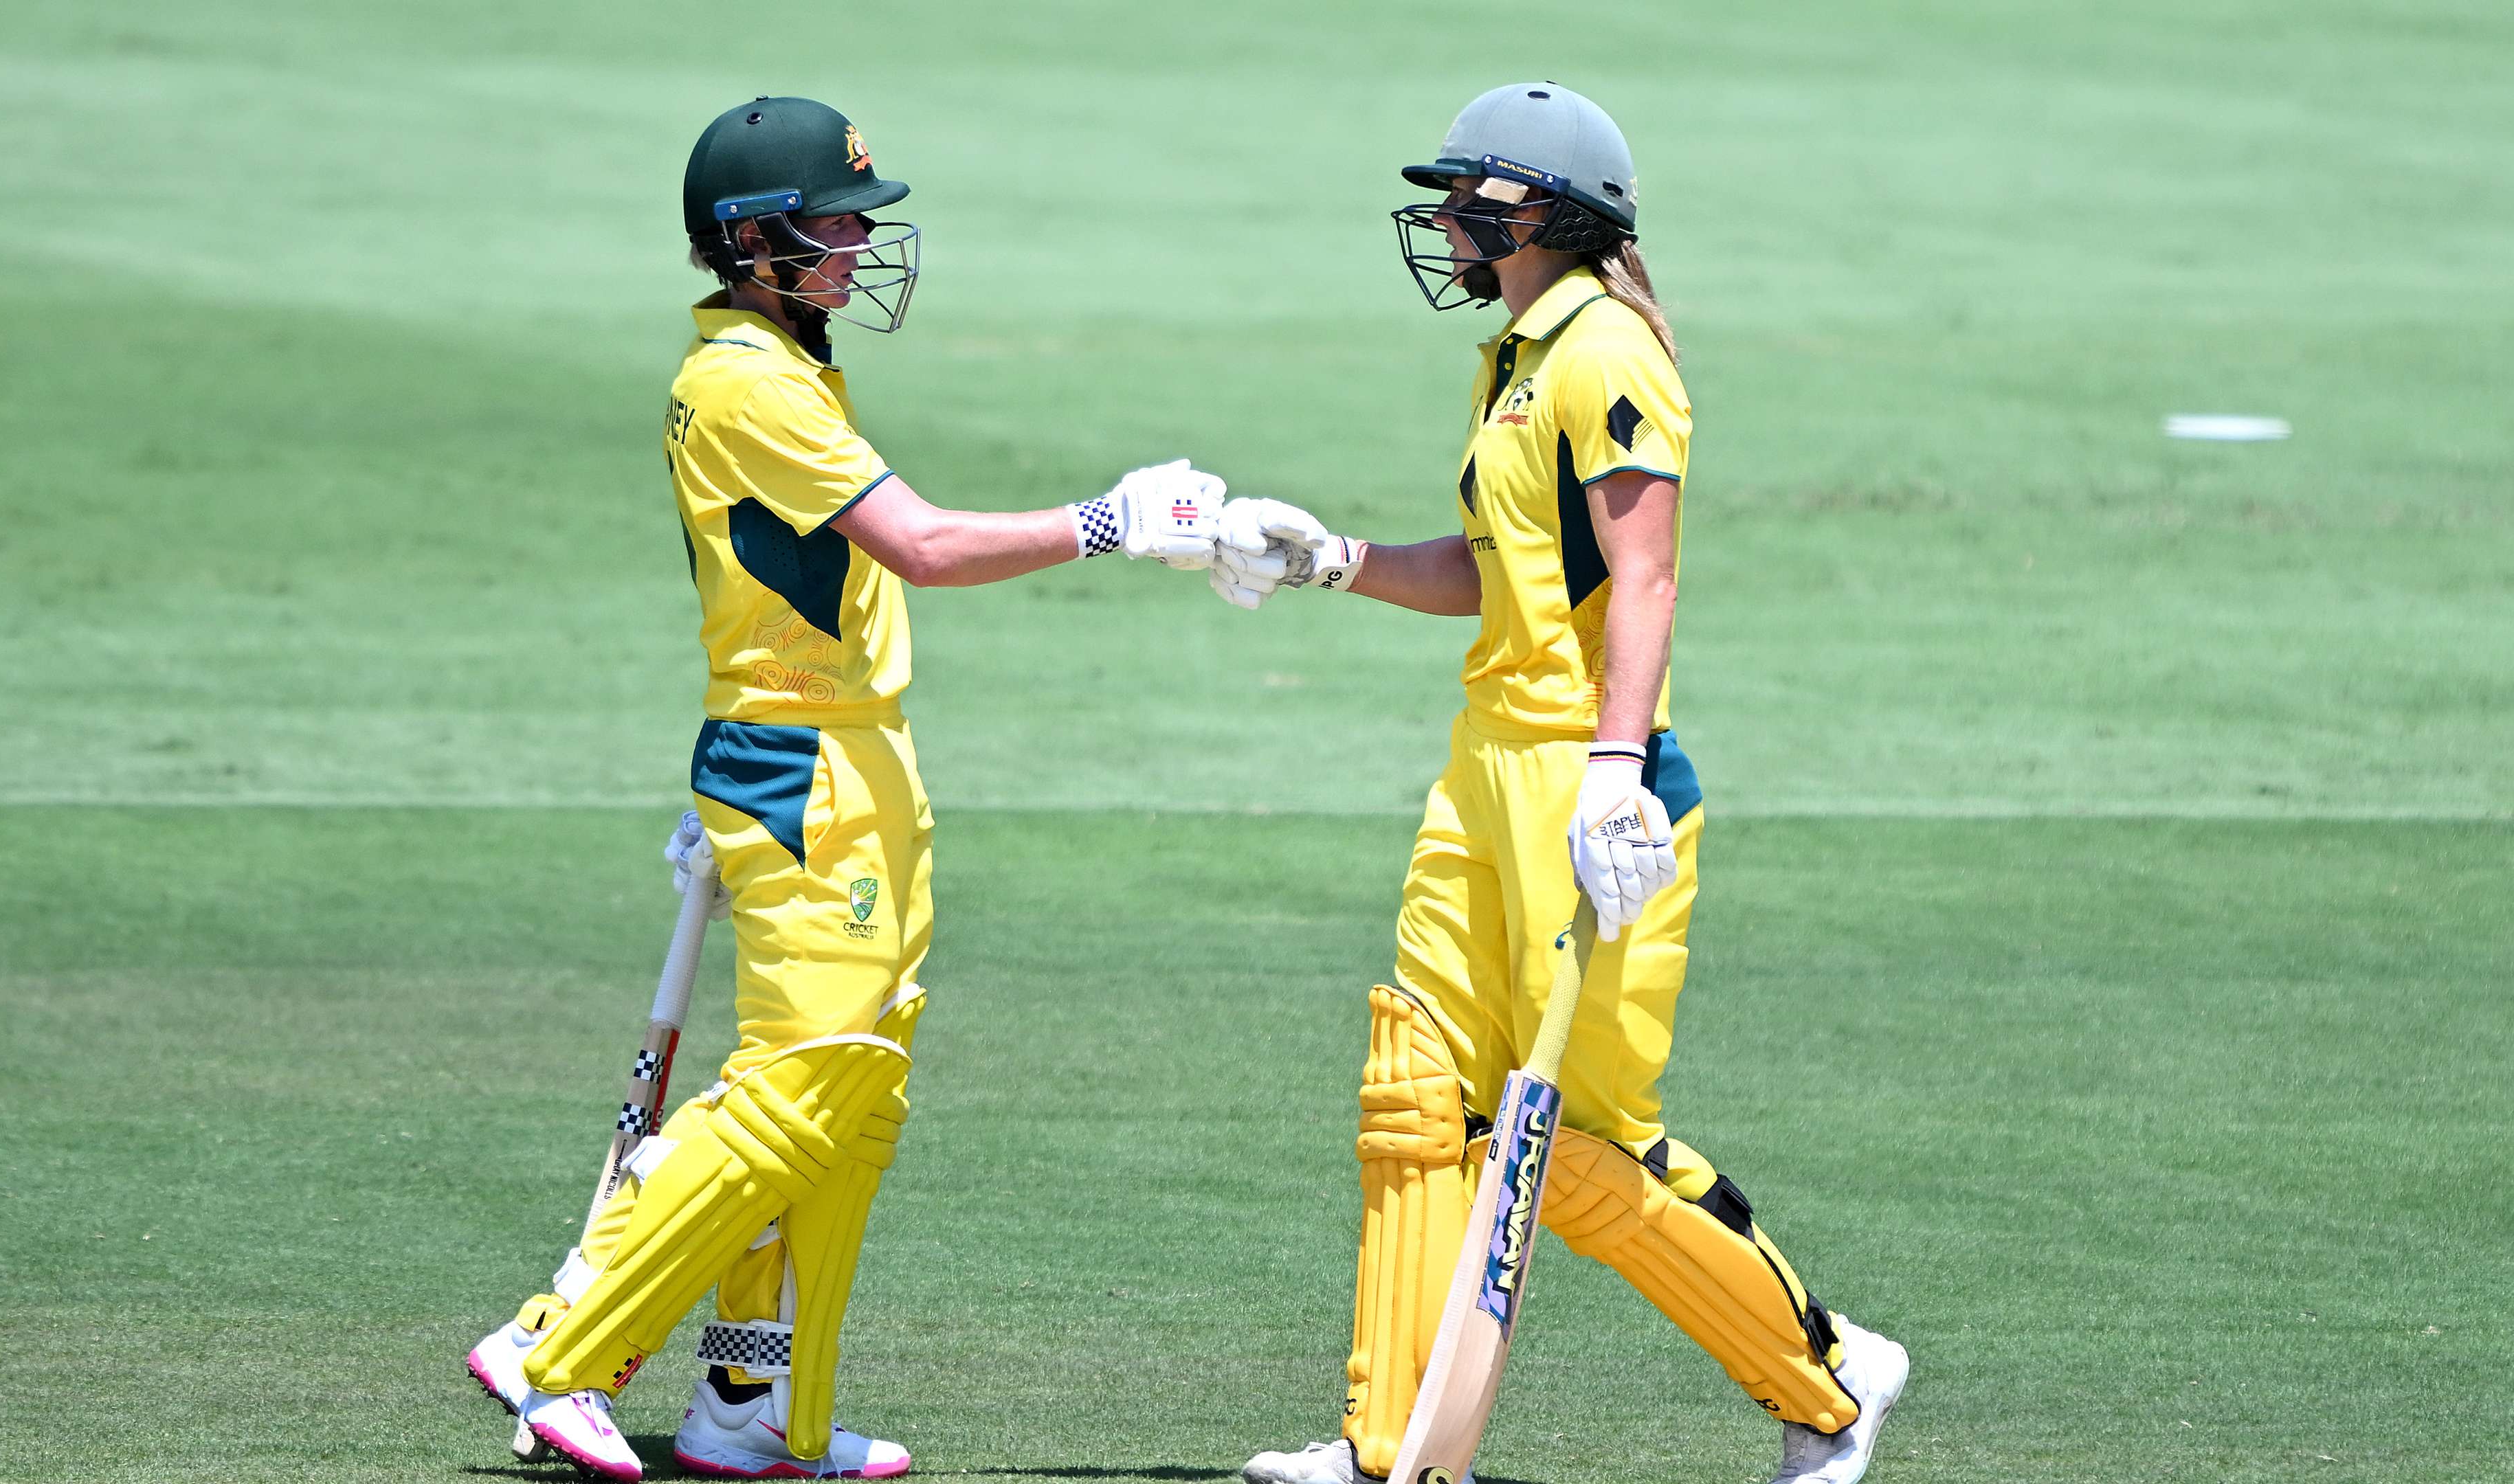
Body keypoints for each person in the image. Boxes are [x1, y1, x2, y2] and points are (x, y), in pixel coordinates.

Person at [463, 95, 1245, 1482]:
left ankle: (750, 1407)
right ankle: (558, 1348)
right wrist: (1116, 523)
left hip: (849, 757)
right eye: (828, 225)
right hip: (798, 761)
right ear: (748, 240)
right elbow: (926, 546)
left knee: (853, 1103)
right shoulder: (747, 384)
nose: (854, 248)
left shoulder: (786, 368)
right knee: (805, 1086)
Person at [1218, 83, 1909, 1484]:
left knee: (1581, 1157)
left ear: (1540, 212)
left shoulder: (1606, 354)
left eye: (1470, 197)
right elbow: (1495, 573)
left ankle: (1831, 1378)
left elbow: (1644, 575)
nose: (1448, 220)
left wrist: (1613, 773)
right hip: (1486, 775)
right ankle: (1387, 1453)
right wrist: (1333, 558)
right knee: (1416, 1094)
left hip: (1592, 793)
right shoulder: (1517, 359)